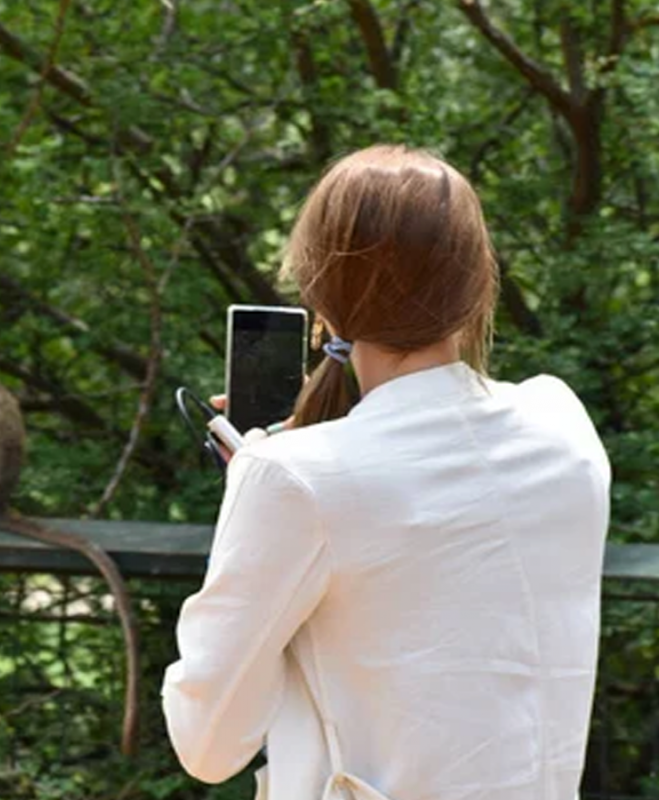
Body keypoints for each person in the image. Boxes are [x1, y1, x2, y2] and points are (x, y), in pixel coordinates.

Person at [161, 144, 611, 800]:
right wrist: (288, 469)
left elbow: (207, 745)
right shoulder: (563, 427)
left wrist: (257, 489)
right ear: (479, 282)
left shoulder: (290, 481)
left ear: (324, 304)